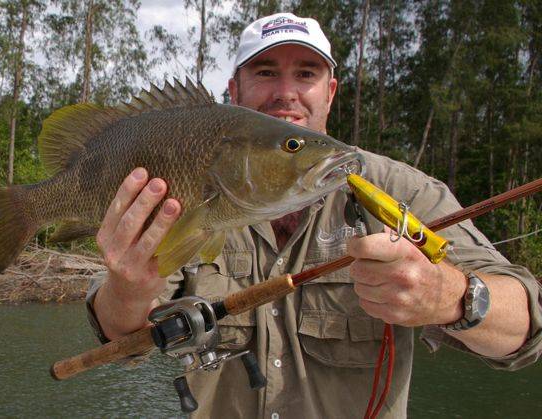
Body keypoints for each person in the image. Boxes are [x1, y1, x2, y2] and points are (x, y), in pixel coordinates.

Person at [86, 13, 542, 418]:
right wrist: (126, 289)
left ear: (330, 91)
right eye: (266, 72)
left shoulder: (403, 191)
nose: (286, 93)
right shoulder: (183, 191)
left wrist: (450, 296)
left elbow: (526, 326)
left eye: (306, 73)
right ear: (235, 90)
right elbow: (120, 339)